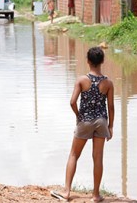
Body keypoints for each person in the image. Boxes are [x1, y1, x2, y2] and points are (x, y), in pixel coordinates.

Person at [50, 46, 114, 202]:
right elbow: (111, 107)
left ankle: (66, 192)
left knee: (74, 154)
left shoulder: (81, 80)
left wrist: (79, 115)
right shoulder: (108, 83)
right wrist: (110, 126)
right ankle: (96, 195)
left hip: (84, 120)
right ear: (102, 61)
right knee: (97, 158)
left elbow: (72, 102)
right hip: (101, 122)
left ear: (87, 61)